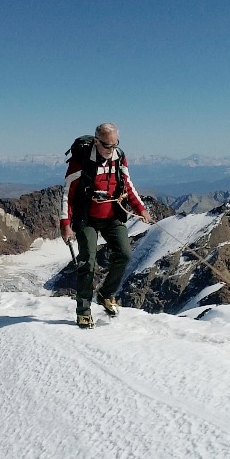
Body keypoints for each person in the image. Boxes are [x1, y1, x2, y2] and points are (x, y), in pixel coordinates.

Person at [60, 123, 154, 329]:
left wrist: (141, 209)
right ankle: (83, 310)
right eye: (106, 145)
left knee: (125, 254)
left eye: (114, 144)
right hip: (87, 218)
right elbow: (67, 193)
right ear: (96, 141)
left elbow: (128, 185)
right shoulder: (81, 161)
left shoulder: (119, 157)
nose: (110, 149)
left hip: (112, 216)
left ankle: (105, 294)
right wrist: (65, 223)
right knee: (88, 262)